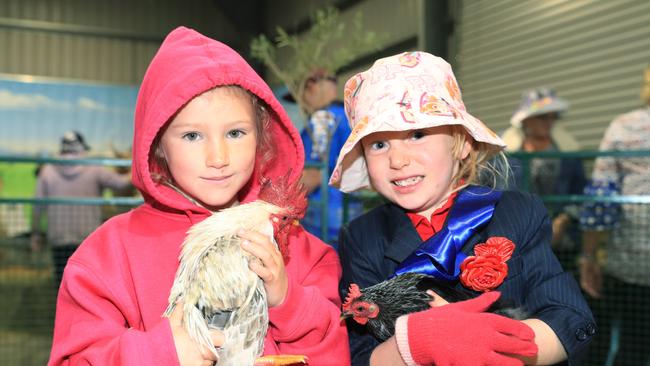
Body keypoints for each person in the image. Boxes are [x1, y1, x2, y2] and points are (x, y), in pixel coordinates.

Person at [47, 27, 348, 365]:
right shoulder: (107, 257)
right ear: (158, 142)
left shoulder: (300, 252)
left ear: (263, 135)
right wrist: (159, 354)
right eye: (192, 135)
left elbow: (333, 353)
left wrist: (289, 303)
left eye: (235, 132)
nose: (218, 157)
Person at [330, 51, 595, 365]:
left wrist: (493, 342)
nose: (397, 160)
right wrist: (415, 343)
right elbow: (360, 356)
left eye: (417, 134)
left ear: (462, 143)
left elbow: (570, 318)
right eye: (379, 144)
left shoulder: (514, 213)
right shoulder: (363, 238)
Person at [579, 65, 650, 365]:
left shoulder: (623, 126)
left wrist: (589, 255)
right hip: (631, 263)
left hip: (632, 264)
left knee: (632, 349)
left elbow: (601, 199)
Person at [31, 130, 131, 286]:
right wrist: (137, 169)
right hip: (88, 239)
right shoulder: (94, 169)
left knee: (62, 283)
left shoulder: (47, 171)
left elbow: (37, 206)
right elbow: (122, 183)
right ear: (82, 148)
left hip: (59, 239)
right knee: (88, 286)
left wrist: (35, 234)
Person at [502, 88, 587, 272]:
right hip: (515, 241)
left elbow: (580, 192)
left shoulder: (568, 152)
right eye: (542, 116)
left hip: (561, 244)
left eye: (553, 117)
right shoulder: (506, 153)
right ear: (526, 120)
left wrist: (563, 220)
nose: (549, 122)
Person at [289, 69, 362, 247]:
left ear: (311, 87)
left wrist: (281, 203)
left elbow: (313, 175)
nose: (303, 103)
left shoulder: (322, 119)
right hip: (352, 213)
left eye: (302, 95)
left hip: (324, 221)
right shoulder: (349, 117)